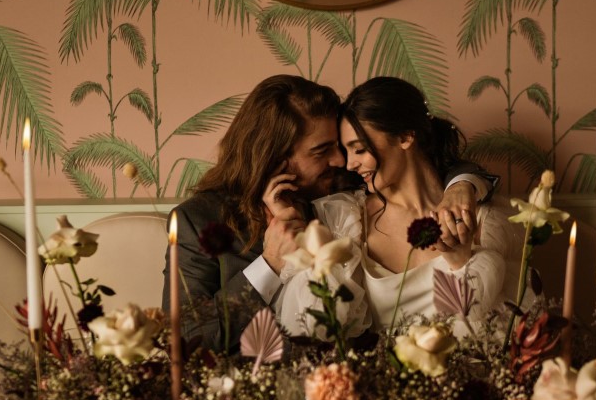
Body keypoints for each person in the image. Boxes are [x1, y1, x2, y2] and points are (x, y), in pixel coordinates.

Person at [164, 74, 495, 351]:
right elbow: (185, 338)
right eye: (322, 151)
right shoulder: (196, 222)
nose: (340, 161)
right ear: (273, 158)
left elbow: (418, 161)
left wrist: (462, 184)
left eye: (342, 147)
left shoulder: (336, 191)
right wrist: (271, 263)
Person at [274, 77, 511, 338]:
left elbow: (497, 325)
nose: (348, 164)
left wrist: (460, 260)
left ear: (405, 136)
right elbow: (312, 324)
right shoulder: (346, 220)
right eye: (346, 151)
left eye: (359, 149)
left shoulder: (477, 214)